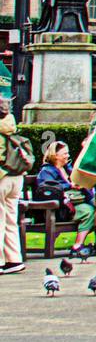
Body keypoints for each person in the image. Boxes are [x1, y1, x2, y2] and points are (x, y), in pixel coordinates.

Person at [36, 142, 96, 254]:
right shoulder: (46, 171)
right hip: (60, 209)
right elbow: (46, 188)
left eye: (67, 153)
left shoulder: (68, 169)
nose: (67, 155)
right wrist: (69, 185)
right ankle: (78, 245)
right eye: (64, 153)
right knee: (89, 211)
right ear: (55, 155)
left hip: (75, 203)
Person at [0, 97, 25, 275]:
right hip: (16, 177)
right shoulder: (11, 125)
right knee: (10, 219)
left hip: (2, 176)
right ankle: (14, 259)